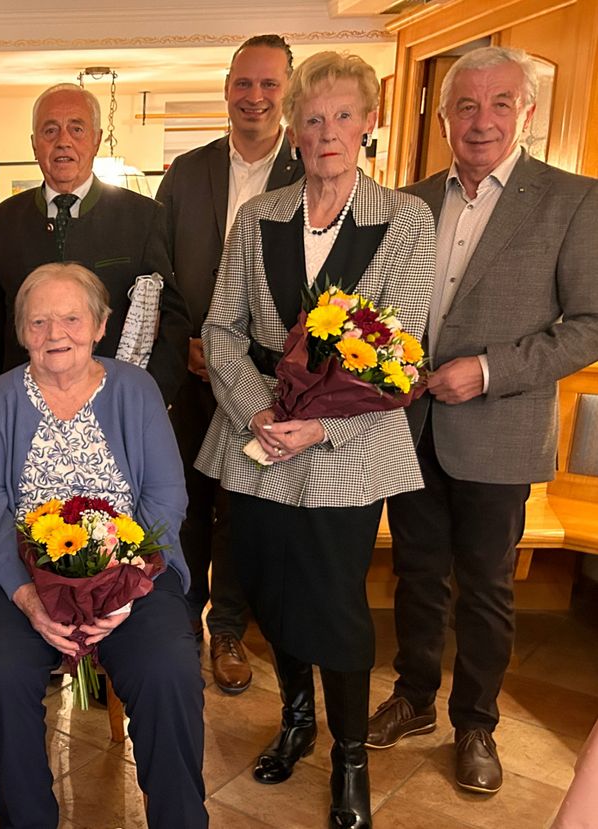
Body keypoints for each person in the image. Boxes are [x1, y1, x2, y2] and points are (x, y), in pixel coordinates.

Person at [194, 52, 436, 828]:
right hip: (259, 433)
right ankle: (296, 720)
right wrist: (254, 413)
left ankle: (350, 756)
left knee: (334, 605)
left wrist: (321, 423)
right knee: (267, 590)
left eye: (342, 116)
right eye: (313, 117)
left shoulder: (406, 220)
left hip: (348, 444)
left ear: (368, 123)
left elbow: (398, 350)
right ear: (293, 128)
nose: (326, 132)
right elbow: (222, 328)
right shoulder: (259, 217)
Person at [368, 46, 598, 795]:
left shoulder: (572, 199)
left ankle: (476, 723)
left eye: (501, 103)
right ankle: (413, 697)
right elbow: (383, 310)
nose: (481, 120)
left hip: (498, 429)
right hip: (410, 426)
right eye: (465, 105)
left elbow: (590, 325)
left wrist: (490, 370)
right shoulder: (407, 201)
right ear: (442, 118)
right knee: (416, 575)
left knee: (488, 589)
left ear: (526, 112)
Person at [0, 263, 206, 828]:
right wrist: (26, 597)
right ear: (21, 332)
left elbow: (166, 499)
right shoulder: (1, 399)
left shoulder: (136, 391)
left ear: (100, 325)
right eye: (38, 321)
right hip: (19, 574)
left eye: (71, 317)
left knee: (169, 667)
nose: (54, 333)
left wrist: (122, 591)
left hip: (131, 573)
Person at [154, 34, 304, 694]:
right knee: (184, 498)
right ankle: (184, 618)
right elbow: (156, 269)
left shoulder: (309, 174)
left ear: (288, 93)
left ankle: (229, 629)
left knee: (241, 505)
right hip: (188, 372)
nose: (255, 97)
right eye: (244, 83)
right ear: (226, 88)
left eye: (270, 85)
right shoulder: (187, 171)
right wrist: (185, 337)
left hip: (264, 381)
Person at [0, 82, 192, 406]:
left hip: (115, 407)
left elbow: (173, 322)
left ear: (96, 140)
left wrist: (146, 401)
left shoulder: (143, 218)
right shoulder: (2, 222)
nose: (63, 141)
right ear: (34, 144)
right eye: (50, 130)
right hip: (25, 409)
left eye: (76, 129)